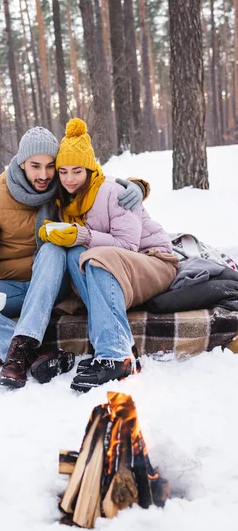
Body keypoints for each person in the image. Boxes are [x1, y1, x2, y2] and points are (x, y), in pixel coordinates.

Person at [0, 125, 148, 389]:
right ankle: (29, 354)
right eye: (35, 166)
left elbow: (95, 181)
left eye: (50, 166)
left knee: (52, 249)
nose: (44, 174)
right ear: (21, 163)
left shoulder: (63, 188)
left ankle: (26, 348)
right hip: (14, 285)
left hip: (57, 282)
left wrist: (136, 186)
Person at [38, 118, 178, 392]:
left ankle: (115, 355)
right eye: (63, 171)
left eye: (76, 171)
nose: (68, 179)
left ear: (90, 169)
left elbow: (127, 246)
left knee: (95, 257)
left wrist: (84, 235)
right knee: (73, 255)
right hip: (118, 270)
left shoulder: (113, 192)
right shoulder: (67, 201)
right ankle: (118, 348)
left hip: (154, 261)